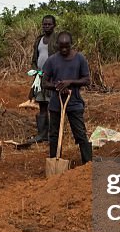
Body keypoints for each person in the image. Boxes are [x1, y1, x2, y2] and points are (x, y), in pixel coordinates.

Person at [41, 32, 92, 165]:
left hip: (74, 102)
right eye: (61, 47)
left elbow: (86, 80)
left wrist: (70, 82)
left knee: (80, 133)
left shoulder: (80, 59)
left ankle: (88, 163)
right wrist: (57, 87)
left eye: (67, 47)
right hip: (56, 103)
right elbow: (44, 83)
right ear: (57, 45)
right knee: (54, 135)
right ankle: (54, 161)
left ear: (71, 45)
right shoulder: (52, 60)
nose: (64, 49)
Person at [25, 15, 58, 144]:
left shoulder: (57, 39)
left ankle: (53, 134)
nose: (46, 26)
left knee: (53, 106)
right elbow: (35, 59)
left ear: (54, 25)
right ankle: (42, 134)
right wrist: (36, 71)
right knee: (42, 105)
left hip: (53, 78)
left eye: (49, 24)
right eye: (44, 24)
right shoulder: (39, 40)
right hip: (40, 78)